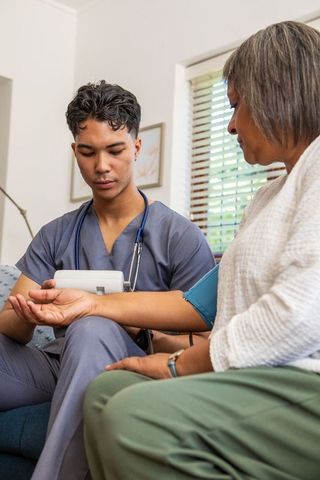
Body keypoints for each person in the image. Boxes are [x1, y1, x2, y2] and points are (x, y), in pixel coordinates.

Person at [13, 20, 320, 479]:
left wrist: (177, 362)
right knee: (105, 391)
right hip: (251, 368)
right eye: (87, 151)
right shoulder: (268, 197)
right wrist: (92, 302)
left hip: (295, 374)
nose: (232, 125)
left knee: (127, 413)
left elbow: (298, 313)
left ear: (278, 94)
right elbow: (199, 302)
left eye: (237, 107)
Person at [0, 81, 215, 480]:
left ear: (136, 147)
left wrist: (131, 322)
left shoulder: (179, 236)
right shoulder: (55, 233)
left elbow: (202, 346)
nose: (102, 166)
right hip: (56, 367)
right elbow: (11, 328)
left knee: (92, 327)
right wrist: (32, 313)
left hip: (132, 367)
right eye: (88, 152)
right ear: (74, 152)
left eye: (115, 150)